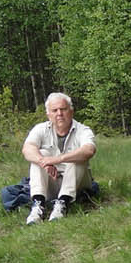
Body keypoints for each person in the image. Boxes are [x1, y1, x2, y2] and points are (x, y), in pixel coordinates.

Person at [21, 93, 96, 224]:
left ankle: (62, 205)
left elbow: (89, 150)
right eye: (55, 110)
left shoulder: (83, 130)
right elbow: (27, 149)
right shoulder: (40, 129)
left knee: (76, 157)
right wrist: (43, 162)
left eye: (63, 109)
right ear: (48, 114)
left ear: (71, 111)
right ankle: (38, 205)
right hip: (52, 182)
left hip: (78, 183)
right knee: (40, 154)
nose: (59, 114)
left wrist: (57, 159)